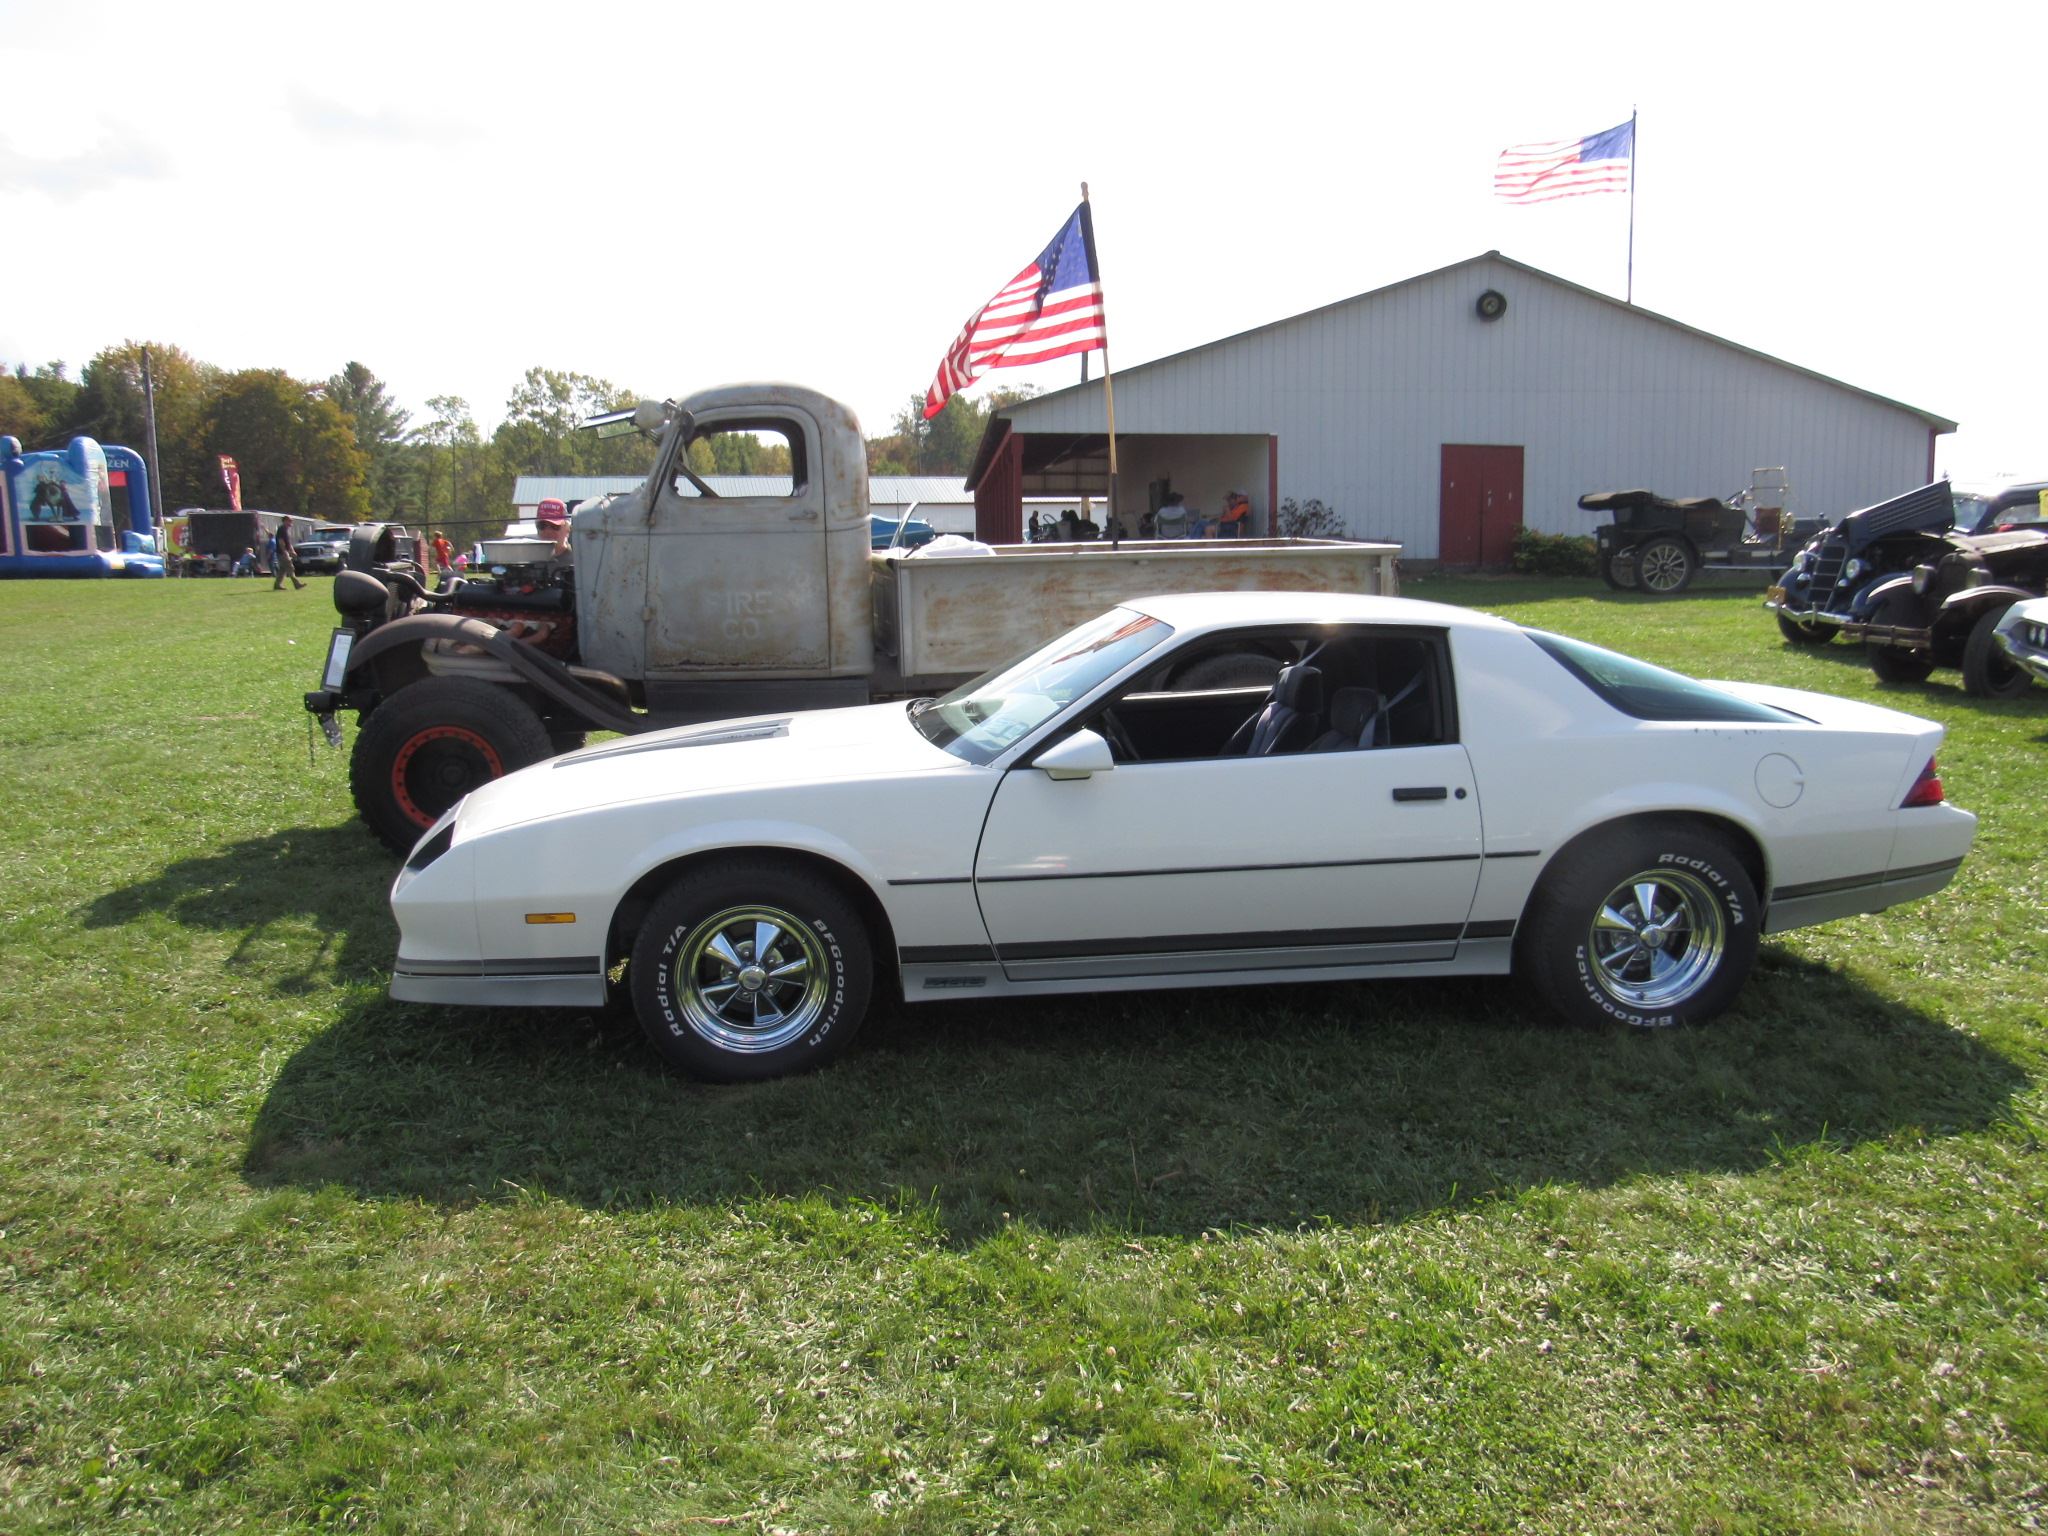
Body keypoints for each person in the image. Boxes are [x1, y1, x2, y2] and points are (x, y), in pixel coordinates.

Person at [272, 520, 306, 589]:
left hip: (284, 552)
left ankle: (277, 585)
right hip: (282, 553)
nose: (291, 523)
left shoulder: (286, 530)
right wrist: (285, 552)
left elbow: (288, 543)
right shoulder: (281, 530)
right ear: (285, 521)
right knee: (290, 568)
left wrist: (292, 551)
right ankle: (297, 584)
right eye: (289, 521)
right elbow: (281, 541)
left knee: (282, 570)